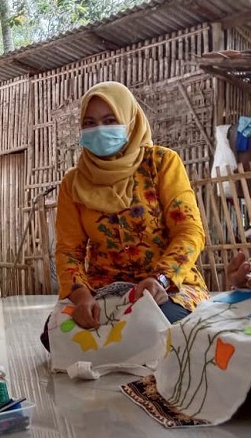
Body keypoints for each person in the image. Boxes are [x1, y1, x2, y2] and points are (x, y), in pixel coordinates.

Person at [49, 81, 208, 339]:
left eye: (110, 120)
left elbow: (189, 230)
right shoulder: (73, 182)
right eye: (89, 123)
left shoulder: (161, 163)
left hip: (167, 287)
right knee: (55, 334)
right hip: (103, 291)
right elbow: (69, 249)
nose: (99, 129)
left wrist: (162, 279)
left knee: (153, 325)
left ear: (130, 120)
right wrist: (80, 297)